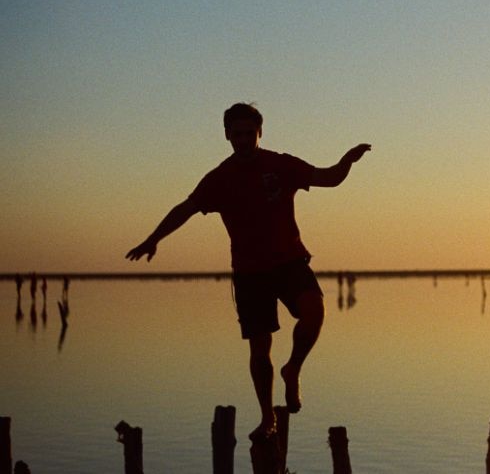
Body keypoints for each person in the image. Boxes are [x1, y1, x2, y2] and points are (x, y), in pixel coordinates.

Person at [126, 102, 370, 439]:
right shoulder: (219, 179)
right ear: (227, 135)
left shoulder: (280, 164)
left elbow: (327, 178)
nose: (242, 139)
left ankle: (293, 369)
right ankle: (267, 416)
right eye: (236, 134)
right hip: (249, 272)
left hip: (289, 262)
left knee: (314, 311)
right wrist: (154, 238)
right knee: (260, 349)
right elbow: (185, 209)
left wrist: (346, 162)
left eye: (248, 133)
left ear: (260, 132)